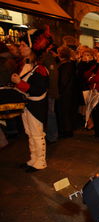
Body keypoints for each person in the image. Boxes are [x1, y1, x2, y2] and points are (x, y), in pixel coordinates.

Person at [11, 27, 53, 172]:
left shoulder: (40, 69)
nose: (20, 48)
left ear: (32, 48)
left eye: (23, 45)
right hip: (27, 105)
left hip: (36, 106)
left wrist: (19, 83)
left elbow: (38, 90)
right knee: (29, 133)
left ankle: (40, 161)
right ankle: (33, 160)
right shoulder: (26, 65)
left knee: (37, 134)